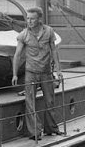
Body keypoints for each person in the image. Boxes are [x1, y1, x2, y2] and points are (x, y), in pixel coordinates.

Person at [12, 7, 63, 139]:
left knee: (50, 101)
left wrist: (58, 70)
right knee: (30, 103)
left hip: (46, 72)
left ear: (39, 19)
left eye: (32, 19)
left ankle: (51, 128)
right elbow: (17, 55)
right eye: (28, 18)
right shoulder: (24, 35)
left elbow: (54, 51)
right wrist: (15, 74)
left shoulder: (49, 31)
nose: (29, 21)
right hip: (31, 73)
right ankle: (35, 132)